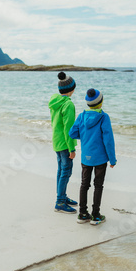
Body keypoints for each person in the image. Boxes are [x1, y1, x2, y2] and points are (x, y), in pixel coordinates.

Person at [69, 88, 117, 225]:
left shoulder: (81, 116)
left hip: (86, 158)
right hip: (100, 158)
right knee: (98, 185)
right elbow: (108, 140)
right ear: (100, 103)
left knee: (84, 184)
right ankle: (95, 215)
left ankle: (82, 214)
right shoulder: (103, 117)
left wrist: (84, 138)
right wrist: (112, 159)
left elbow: (72, 133)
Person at [48, 72, 78, 214]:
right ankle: (60, 202)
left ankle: (63, 197)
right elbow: (69, 129)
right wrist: (72, 149)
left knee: (61, 170)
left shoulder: (55, 100)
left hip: (56, 141)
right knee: (66, 171)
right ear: (72, 89)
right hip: (65, 144)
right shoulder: (68, 105)